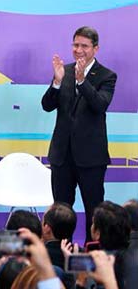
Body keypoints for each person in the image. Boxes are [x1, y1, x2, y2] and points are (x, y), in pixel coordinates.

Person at [42, 26, 116, 241]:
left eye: (84, 46)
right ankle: (60, 251)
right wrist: (57, 82)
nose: (79, 50)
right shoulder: (63, 71)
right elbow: (47, 105)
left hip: (91, 158)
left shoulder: (107, 76)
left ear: (95, 49)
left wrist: (82, 80)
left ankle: (91, 253)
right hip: (62, 156)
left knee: (94, 211)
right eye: (75, 45)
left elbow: (100, 105)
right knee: (60, 213)